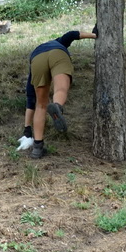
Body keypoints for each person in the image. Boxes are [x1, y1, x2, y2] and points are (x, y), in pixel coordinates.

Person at [21, 28, 97, 159]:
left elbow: (30, 94)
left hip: (37, 59)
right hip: (58, 54)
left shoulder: (39, 49)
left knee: (41, 105)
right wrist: (94, 35)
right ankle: (57, 106)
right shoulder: (59, 42)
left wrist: (27, 129)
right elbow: (73, 34)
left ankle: (37, 149)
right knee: (60, 89)